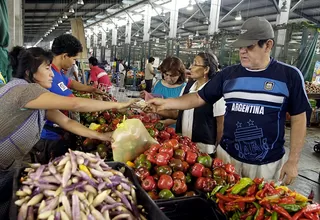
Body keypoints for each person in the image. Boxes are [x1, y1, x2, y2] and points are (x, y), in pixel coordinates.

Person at [148, 17, 309, 185]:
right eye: (241, 47)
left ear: (268, 45)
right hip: (228, 158)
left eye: (250, 46)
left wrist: (293, 161)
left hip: (267, 163)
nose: (242, 51)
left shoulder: (289, 76)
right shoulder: (228, 75)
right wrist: (166, 103)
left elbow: (299, 118)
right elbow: (198, 97)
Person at [0, 46, 135, 219]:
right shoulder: (26, 90)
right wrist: (117, 105)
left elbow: (66, 121)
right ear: (29, 72)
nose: (52, 74)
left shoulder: (35, 97)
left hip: (7, 163)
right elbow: (75, 104)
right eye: (47, 68)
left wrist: (102, 136)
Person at [34, 35, 108, 162]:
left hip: (56, 132)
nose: (74, 62)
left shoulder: (57, 72)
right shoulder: (51, 76)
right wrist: (114, 106)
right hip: (50, 138)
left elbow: (71, 83)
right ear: (64, 56)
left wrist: (92, 89)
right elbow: (75, 103)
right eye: (74, 58)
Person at [176, 52, 225, 155]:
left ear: (206, 69)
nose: (191, 67)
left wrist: (218, 149)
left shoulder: (215, 92)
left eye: (195, 64)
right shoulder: (188, 87)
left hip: (204, 149)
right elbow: (178, 111)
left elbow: (220, 123)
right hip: (183, 147)